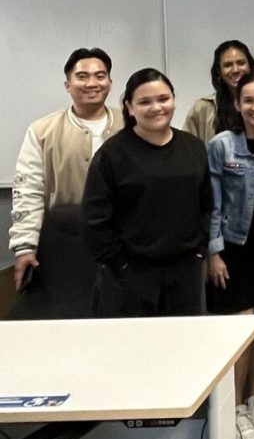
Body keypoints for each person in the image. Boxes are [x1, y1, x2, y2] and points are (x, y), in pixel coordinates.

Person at [83, 68, 212, 317]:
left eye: (163, 99)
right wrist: (120, 263)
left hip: (184, 273)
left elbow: (207, 204)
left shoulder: (193, 147)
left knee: (182, 348)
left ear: (174, 100)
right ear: (130, 107)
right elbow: (95, 220)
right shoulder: (112, 155)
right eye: (144, 102)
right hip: (129, 275)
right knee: (131, 351)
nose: (156, 108)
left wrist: (199, 250)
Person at [9, 48, 123, 319]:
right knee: (71, 314)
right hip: (66, 241)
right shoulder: (42, 130)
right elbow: (28, 191)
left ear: (110, 82)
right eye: (82, 76)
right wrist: (25, 246)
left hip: (122, 236)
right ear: (68, 85)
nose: (92, 83)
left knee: (120, 314)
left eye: (100, 75)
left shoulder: (130, 123)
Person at [206, 71, 254, 439]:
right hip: (234, 249)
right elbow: (212, 202)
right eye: (249, 100)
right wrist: (214, 252)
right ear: (237, 104)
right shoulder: (222, 145)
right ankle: (233, 407)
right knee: (242, 328)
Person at [183, 40, 254, 143]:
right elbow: (187, 149)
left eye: (241, 63)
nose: (235, 69)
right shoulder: (203, 108)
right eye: (228, 65)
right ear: (219, 71)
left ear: (250, 66)